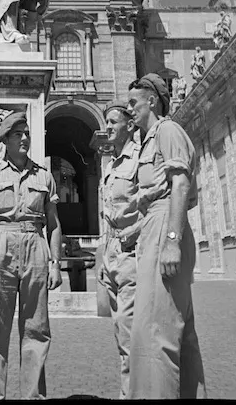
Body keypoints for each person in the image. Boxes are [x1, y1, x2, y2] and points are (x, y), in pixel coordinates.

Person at [0, 111, 62, 400]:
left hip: (35, 243)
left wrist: (55, 264)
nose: (24, 138)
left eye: (26, 134)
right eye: (17, 134)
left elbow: (54, 223)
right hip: (0, 242)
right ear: (5, 140)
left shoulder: (44, 176)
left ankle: (33, 396)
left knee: (36, 329)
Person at [126, 74, 206, 399]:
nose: (130, 109)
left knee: (154, 332)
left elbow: (181, 186)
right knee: (178, 332)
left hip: (165, 229)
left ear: (152, 101)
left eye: (134, 102)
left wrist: (171, 239)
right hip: (155, 226)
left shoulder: (168, 130)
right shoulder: (147, 139)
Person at [99, 101, 141, 399]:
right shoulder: (110, 164)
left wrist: (133, 233)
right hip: (112, 253)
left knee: (130, 334)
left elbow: (155, 206)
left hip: (131, 252)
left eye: (113, 121)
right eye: (106, 122)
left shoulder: (141, 159)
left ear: (130, 124)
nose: (108, 127)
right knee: (119, 331)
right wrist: (103, 255)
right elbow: (106, 213)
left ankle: (133, 394)